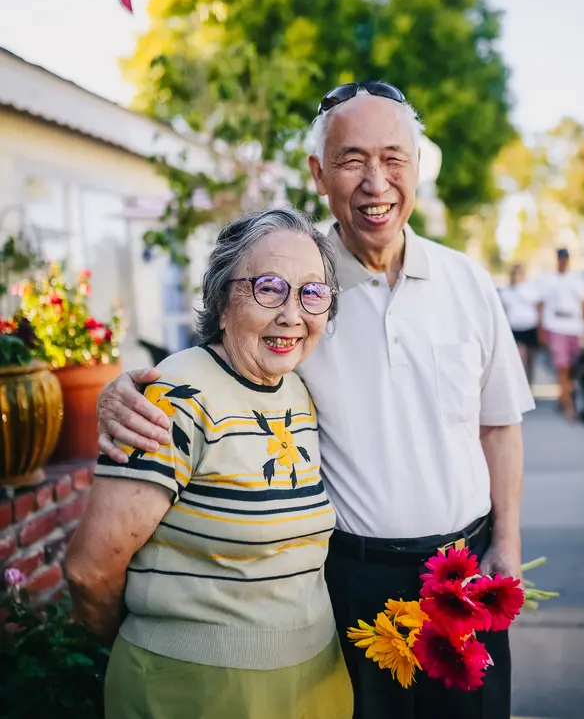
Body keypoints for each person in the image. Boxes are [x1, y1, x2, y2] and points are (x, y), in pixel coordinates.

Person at [98, 81, 534, 719]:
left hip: (466, 573)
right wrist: (124, 389)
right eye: (352, 160)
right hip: (352, 582)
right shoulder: (298, 287)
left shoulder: (467, 281)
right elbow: (218, 360)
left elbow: (499, 424)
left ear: (417, 166)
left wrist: (509, 543)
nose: (376, 183)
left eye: (394, 158)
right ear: (318, 174)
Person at [65, 208, 353, 719]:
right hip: (192, 692)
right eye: (268, 288)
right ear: (222, 302)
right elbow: (90, 570)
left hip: (312, 684)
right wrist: (154, 643)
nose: (292, 314)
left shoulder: (299, 390)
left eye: (311, 293)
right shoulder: (175, 396)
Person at [537, 247, 584, 419]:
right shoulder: (548, 279)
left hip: (574, 327)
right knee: (562, 367)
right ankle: (568, 407)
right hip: (556, 326)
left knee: (573, 368)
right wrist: (541, 329)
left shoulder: (576, 279)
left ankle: (564, 397)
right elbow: (541, 304)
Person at [499, 264, 539, 384]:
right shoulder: (506, 291)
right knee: (520, 357)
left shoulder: (530, 289)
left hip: (530, 326)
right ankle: (521, 382)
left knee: (530, 357)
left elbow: (538, 306)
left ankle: (529, 383)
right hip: (515, 327)